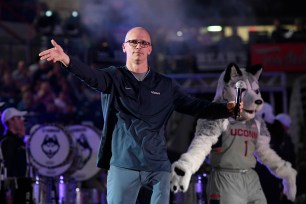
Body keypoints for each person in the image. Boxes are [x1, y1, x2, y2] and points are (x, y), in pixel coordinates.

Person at [39, 26, 239, 204]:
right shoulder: (113, 77)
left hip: (157, 167)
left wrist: (227, 108)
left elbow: (195, 106)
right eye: (133, 42)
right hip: (123, 166)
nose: (138, 46)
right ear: (124, 47)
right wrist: (66, 59)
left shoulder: (165, 85)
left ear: (150, 49)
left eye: (144, 43)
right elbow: (91, 76)